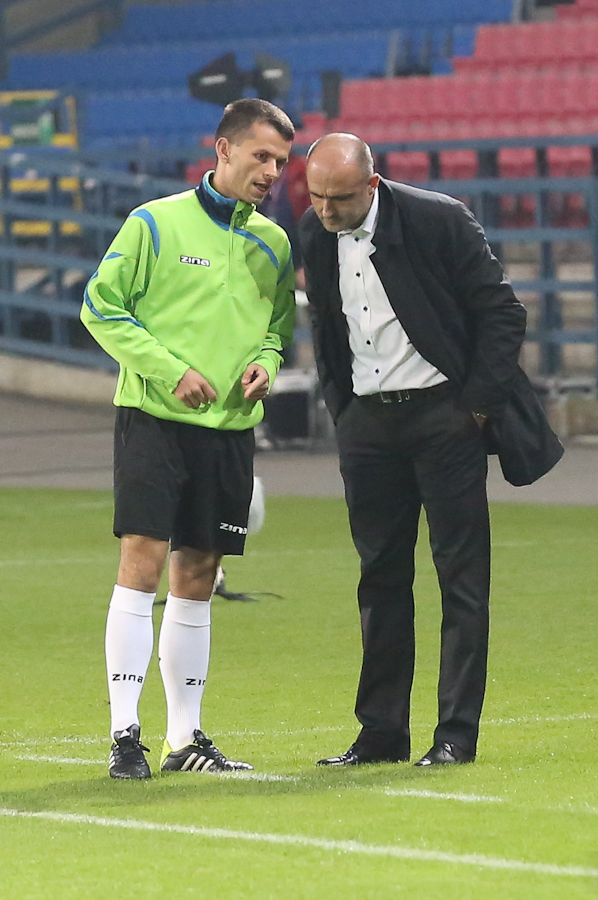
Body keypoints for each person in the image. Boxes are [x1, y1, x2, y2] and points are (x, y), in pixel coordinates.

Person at [299, 133, 561, 768]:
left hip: (445, 420)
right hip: (368, 427)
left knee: (461, 580)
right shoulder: (313, 232)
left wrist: (474, 409)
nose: (326, 210)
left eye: (339, 198)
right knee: (379, 580)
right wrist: (343, 412)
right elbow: (326, 326)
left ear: (372, 184)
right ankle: (381, 734)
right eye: (316, 196)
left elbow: (503, 312)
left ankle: (455, 736)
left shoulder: (439, 219)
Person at [81, 98, 296, 779]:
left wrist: (269, 363)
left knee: (198, 576)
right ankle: (124, 734)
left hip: (229, 430)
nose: (272, 172)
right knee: (142, 564)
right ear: (223, 149)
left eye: (281, 161)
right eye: (261, 156)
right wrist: (170, 371)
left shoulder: (274, 242)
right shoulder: (154, 222)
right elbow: (100, 306)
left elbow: (278, 327)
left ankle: (185, 739)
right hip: (154, 420)